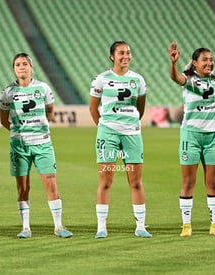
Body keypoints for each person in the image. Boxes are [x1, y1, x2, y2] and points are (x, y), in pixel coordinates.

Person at [168, 42, 215, 237]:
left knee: (213, 182)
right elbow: (175, 77)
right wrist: (173, 63)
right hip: (191, 135)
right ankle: (186, 226)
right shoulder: (190, 81)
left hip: (213, 137)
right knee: (188, 182)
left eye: (211, 60)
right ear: (195, 63)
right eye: (205, 60)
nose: (209, 63)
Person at [0, 53, 73, 239]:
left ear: (31, 67)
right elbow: (3, 120)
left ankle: (58, 226)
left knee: (51, 183)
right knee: (23, 187)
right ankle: (25, 228)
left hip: (43, 144)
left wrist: (36, 130)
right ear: (14, 69)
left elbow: (50, 113)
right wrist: (20, 132)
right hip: (19, 146)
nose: (21, 67)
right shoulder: (8, 92)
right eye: (17, 64)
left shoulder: (43, 88)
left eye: (25, 63)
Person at [89, 41, 152, 238]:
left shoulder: (138, 80)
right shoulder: (102, 79)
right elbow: (93, 108)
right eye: (121, 53)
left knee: (135, 181)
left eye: (128, 53)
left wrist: (129, 123)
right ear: (112, 57)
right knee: (106, 180)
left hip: (132, 134)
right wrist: (105, 127)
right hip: (108, 134)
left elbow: (140, 108)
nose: (126, 56)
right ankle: (101, 227)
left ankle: (140, 226)